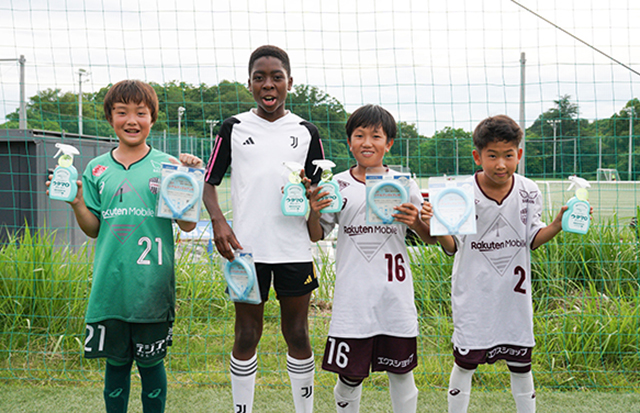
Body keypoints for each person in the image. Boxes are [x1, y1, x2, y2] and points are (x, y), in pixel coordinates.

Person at [46, 79, 202, 412]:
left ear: (152, 118)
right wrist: (76, 202)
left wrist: (189, 180)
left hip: (152, 289)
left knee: (151, 365)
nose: (132, 120)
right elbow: (93, 229)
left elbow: (188, 224)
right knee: (115, 366)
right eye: (122, 112)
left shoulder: (168, 165)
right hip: (111, 289)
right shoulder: (96, 168)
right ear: (110, 118)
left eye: (140, 113)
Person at [203, 45, 324, 413]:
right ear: (250, 84)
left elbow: (318, 191)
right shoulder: (234, 127)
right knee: (246, 334)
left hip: (294, 250)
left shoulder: (306, 131)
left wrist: (312, 197)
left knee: (298, 333)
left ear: (290, 82)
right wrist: (219, 221)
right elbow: (209, 183)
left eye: (276, 77)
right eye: (260, 78)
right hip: (246, 251)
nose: (268, 84)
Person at [422, 115, 569, 413]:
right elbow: (452, 247)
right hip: (473, 296)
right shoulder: (459, 193)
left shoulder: (530, 191)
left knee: (521, 367)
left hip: (514, 299)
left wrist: (556, 225)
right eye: (492, 156)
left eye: (508, 155)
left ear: (519, 154)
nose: (501, 164)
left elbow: (532, 239)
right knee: (465, 365)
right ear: (477, 156)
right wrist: (436, 227)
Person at [307, 104, 437, 413]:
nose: (367, 143)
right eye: (359, 135)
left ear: (388, 143)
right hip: (353, 299)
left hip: (395, 297)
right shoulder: (337, 185)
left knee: (401, 372)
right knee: (350, 376)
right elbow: (316, 234)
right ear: (349, 141)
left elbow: (430, 237)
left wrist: (417, 223)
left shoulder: (404, 184)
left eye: (376, 136)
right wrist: (313, 212)